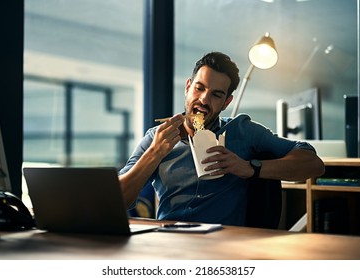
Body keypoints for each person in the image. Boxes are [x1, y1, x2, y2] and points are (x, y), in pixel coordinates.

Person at [118, 51, 325, 226]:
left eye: (216, 95)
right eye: (199, 88)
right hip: (171, 243)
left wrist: (250, 168)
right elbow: (117, 200)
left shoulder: (242, 130)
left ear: (227, 102)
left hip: (226, 244)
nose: (204, 99)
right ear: (188, 87)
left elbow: (314, 164)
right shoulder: (156, 138)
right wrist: (154, 153)